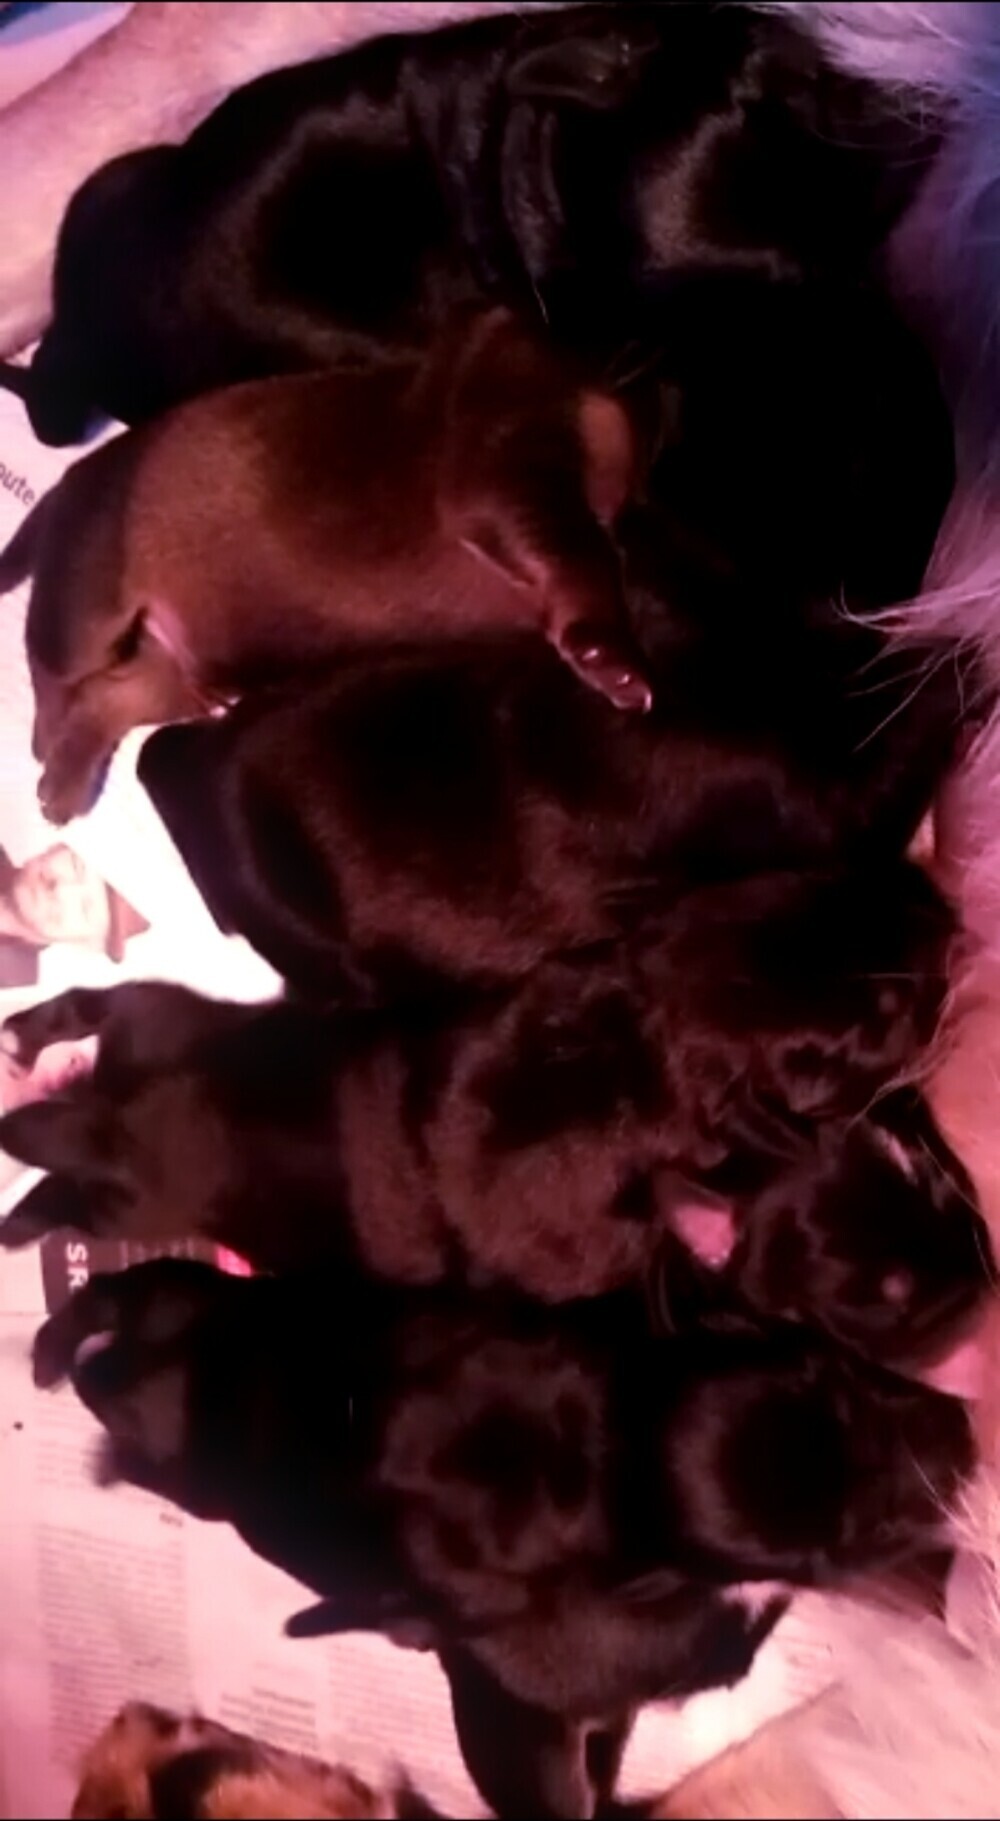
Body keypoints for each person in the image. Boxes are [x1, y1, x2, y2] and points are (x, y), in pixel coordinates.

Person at [0, 841, 148, 987]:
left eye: (85, 908)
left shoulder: (12, 992)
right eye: (75, 867)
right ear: (56, 847)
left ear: (86, 945)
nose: (61, 889)